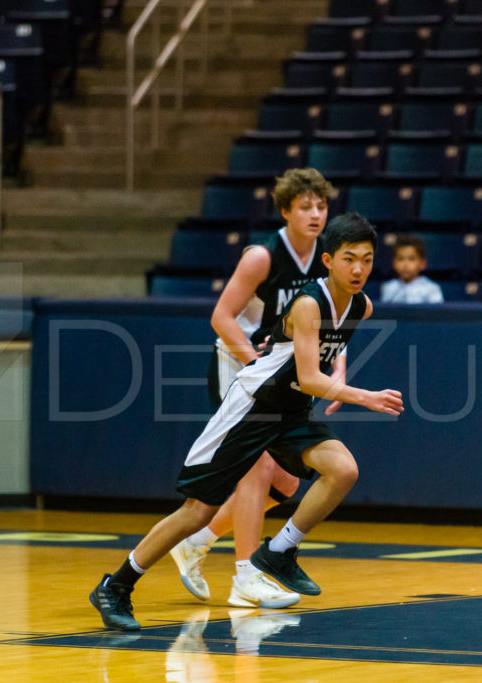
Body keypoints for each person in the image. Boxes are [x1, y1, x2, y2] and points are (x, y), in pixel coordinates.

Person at [91, 213, 403, 631]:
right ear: (327, 260)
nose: (359, 269)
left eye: (367, 259)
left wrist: (336, 372)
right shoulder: (309, 303)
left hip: (290, 411)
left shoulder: (361, 306)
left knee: (343, 469)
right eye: (350, 259)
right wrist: (364, 396)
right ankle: (116, 585)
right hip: (252, 407)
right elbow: (310, 376)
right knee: (197, 511)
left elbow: (325, 354)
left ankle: (280, 552)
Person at [170, 168, 343, 611]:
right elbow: (222, 317)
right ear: (285, 211)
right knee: (258, 468)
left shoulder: (327, 257)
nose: (315, 214)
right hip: (239, 364)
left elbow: (334, 325)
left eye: (321, 206)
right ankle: (246, 575)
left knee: (285, 481)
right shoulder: (261, 258)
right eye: (305, 206)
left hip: (279, 369)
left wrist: (337, 373)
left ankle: (197, 541)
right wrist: (255, 365)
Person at [380, 234, 444, 304]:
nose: (405, 265)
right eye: (400, 259)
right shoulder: (389, 287)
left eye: (411, 259)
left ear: (423, 263)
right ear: (393, 263)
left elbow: (437, 313)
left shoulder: (432, 288)